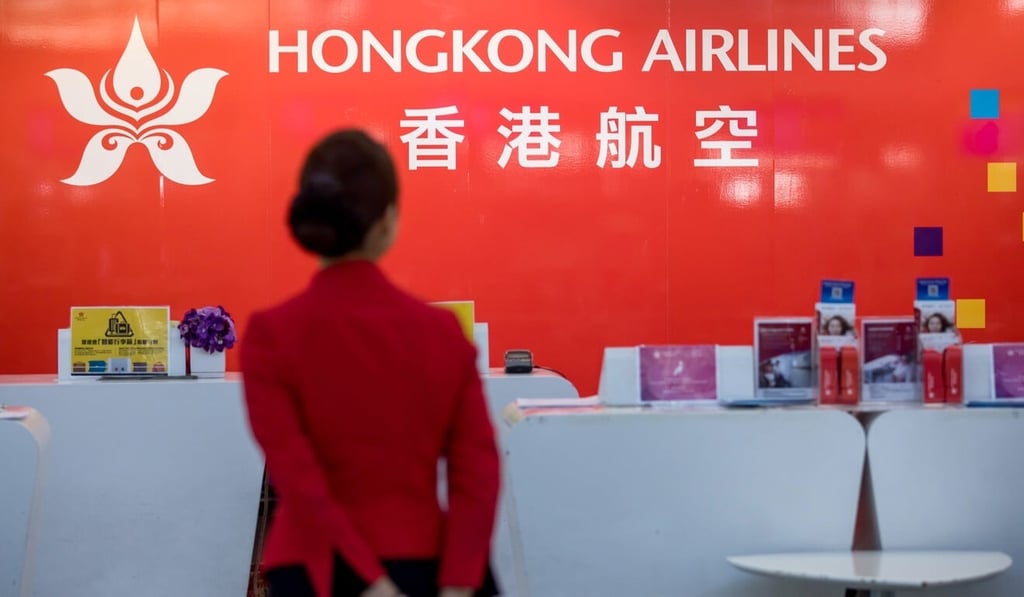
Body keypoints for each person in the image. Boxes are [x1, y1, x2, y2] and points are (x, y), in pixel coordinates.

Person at [240, 129, 501, 597]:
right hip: (427, 564)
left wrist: (371, 581)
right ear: (387, 220)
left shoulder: (270, 335)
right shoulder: (441, 331)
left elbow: (298, 477)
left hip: (316, 570)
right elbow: (478, 470)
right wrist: (461, 582)